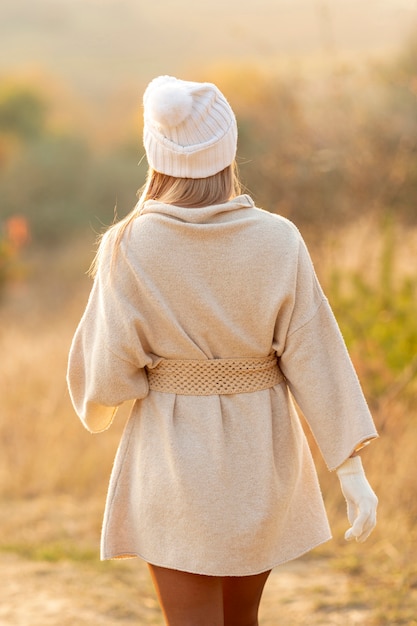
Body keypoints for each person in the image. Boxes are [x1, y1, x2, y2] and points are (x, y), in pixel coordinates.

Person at [67, 75, 378, 626]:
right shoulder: (280, 238)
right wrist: (350, 470)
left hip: (172, 465)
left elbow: (107, 378)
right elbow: (316, 354)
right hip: (260, 462)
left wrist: (102, 403)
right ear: (228, 151)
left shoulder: (128, 244)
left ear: (155, 154)